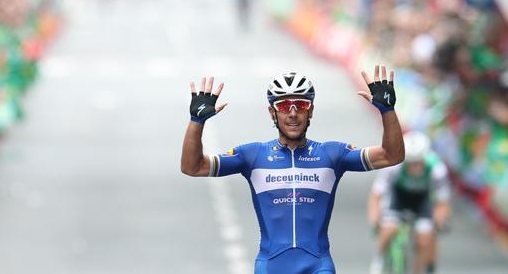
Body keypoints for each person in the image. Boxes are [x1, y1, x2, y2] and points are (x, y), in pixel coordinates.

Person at [181, 65, 405, 274]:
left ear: (311, 111)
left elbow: (391, 155)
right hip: (271, 265)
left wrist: (388, 111)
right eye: (285, 106)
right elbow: (193, 166)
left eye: (302, 105)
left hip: (318, 265)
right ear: (272, 112)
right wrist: (196, 122)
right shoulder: (252, 156)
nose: (293, 113)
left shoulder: (333, 154)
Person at [368, 131, 451, 274]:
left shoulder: (437, 169)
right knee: (389, 228)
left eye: (418, 163)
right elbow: (376, 195)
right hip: (399, 198)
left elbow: (442, 201)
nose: (415, 167)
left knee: (424, 238)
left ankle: (419, 269)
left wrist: (439, 220)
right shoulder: (394, 166)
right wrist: (375, 219)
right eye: (411, 163)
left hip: (422, 200)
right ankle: (379, 259)